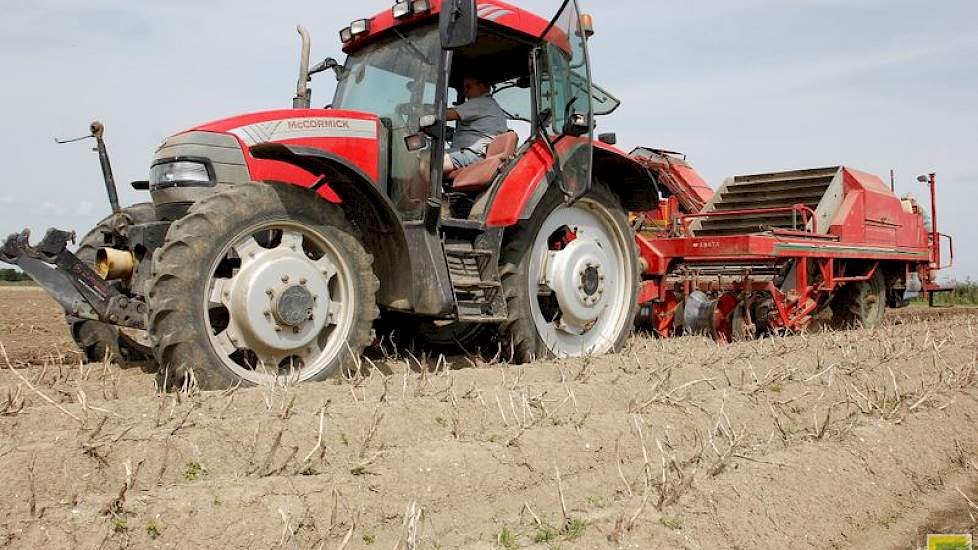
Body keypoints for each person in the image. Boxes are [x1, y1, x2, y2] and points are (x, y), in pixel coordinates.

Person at [442, 75, 510, 172]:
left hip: (473, 155)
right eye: (463, 88)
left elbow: (447, 115)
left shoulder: (481, 102)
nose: (465, 92)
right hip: (472, 153)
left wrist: (426, 111)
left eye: (469, 87)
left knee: (425, 162)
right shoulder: (490, 105)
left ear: (482, 86)